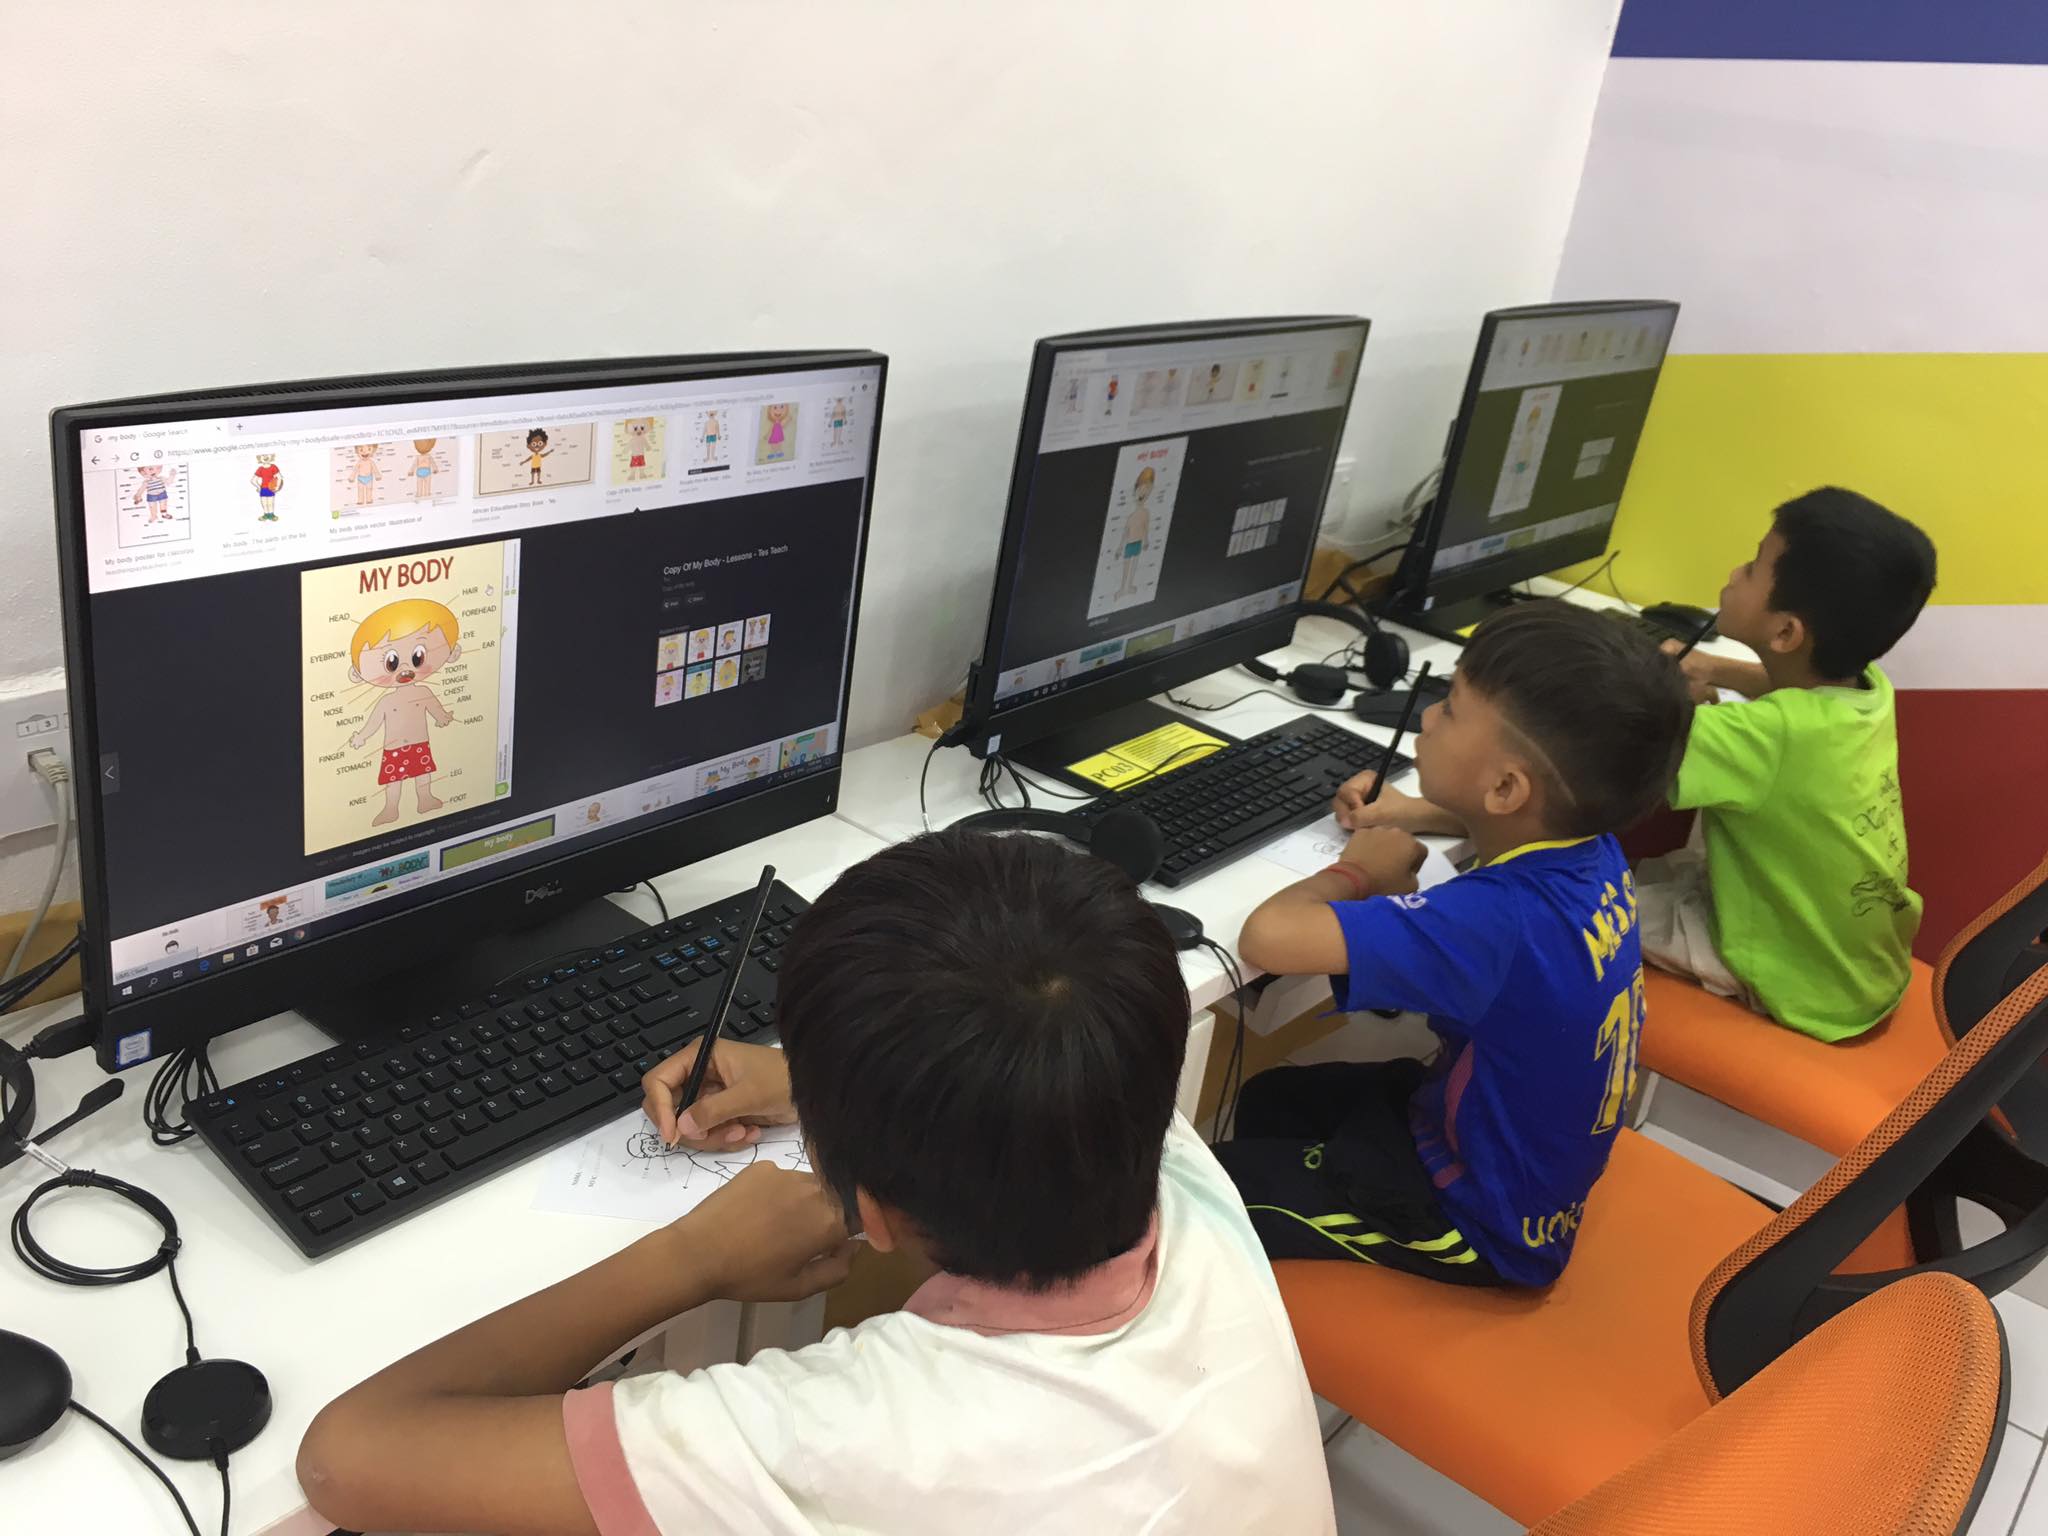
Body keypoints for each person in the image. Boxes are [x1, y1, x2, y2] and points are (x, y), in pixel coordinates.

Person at [297, 831, 1336, 1535]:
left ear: (868, 1211)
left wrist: (689, 1257)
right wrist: (821, 1085)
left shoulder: (850, 1440)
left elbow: (345, 1459)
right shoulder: (1165, 1156)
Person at [1216, 601, 1691, 1287]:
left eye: (1452, 708)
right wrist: (1410, 812)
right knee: (1273, 1099)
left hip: (1478, 1222)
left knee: (1218, 1196)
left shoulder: (1498, 922)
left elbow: (1268, 936)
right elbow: (1515, 817)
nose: (1429, 716)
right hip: (1505, 1153)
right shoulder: (1592, 847)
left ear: (1505, 787)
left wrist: (1361, 872)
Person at [1643, 487, 1937, 1040]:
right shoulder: (1868, 694)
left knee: (1579, 912)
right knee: (1652, 872)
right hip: (1854, 968)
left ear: (1785, 632)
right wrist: (1713, 668)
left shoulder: (1767, 735)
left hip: (1794, 981)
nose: (1735, 573)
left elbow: (1620, 750)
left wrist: (1667, 699)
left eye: (1753, 567)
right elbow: (1794, 703)